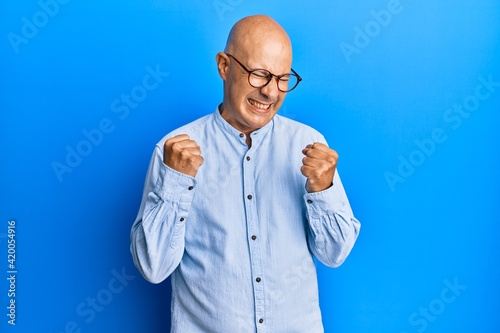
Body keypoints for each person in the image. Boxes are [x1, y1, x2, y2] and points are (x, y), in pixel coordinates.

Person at [130, 14, 360, 333]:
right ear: (224, 66)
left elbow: (335, 254)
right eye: (259, 74)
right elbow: (153, 267)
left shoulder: (309, 145)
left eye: (282, 79)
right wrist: (175, 182)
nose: (270, 92)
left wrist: (323, 188)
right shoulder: (174, 152)